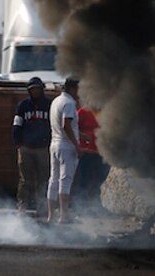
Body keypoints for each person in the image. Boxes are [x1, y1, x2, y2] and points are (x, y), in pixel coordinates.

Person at [12, 77, 51, 215]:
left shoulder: (49, 105)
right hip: (26, 148)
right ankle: (22, 207)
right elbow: (17, 125)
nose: (35, 92)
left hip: (43, 148)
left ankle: (42, 207)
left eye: (37, 89)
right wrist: (18, 143)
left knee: (43, 180)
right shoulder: (23, 106)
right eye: (32, 89)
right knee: (24, 180)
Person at [47, 77, 80, 224]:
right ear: (73, 89)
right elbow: (66, 125)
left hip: (54, 143)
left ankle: (50, 216)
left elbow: (65, 126)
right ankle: (63, 216)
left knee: (53, 179)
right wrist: (77, 145)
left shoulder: (56, 101)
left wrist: (81, 134)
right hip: (66, 146)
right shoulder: (69, 103)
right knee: (65, 180)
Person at [74, 101, 108, 208]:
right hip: (86, 152)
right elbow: (74, 129)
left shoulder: (106, 113)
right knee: (84, 179)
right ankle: (80, 205)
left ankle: (96, 205)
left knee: (100, 179)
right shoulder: (82, 112)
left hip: (101, 152)